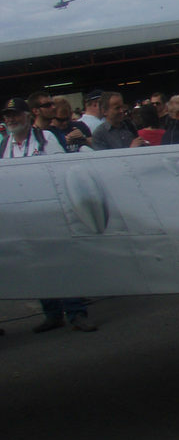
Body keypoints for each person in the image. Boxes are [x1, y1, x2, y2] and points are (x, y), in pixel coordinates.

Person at [1, 97, 97, 332]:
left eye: (15, 114)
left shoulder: (45, 139)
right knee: (37, 266)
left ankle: (76, 313)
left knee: (61, 262)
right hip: (20, 215)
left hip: (47, 211)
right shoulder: (4, 146)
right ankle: (52, 314)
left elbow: (60, 171)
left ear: (27, 116)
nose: (11, 119)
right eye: (7, 115)